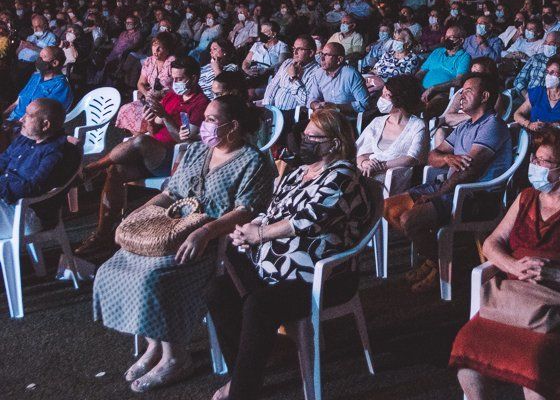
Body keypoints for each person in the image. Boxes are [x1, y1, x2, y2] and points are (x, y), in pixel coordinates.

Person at [93, 95, 274, 393]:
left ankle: (176, 356)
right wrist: (142, 212)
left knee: (153, 278)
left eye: (212, 120)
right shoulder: (197, 151)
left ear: (233, 126)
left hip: (211, 241)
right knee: (115, 267)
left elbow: (246, 210)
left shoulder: (252, 161)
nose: (204, 126)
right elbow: (171, 192)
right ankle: (155, 344)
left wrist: (203, 232)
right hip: (171, 229)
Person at [205, 107, 372, 400]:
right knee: (218, 290)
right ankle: (245, 370)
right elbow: (273, 211)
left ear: (333, 143)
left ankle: (242, 390)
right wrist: (250, 228)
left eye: (312, 138)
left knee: (258, 305)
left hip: (323, 276)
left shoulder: (343, 174)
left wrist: (260, 235)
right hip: (275, 269)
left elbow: (309, 219)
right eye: (304, 136)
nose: (304, 142)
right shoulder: (298, 173)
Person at [451, 128, 560, 400]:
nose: (533, 165)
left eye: (542, 162)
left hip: (557, 301)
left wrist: (556, 272)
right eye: (534, 158)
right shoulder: (526, 197)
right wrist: (513, 265)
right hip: (510, 298)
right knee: (467, 359)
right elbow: (491, 243)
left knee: (535, 371)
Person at [385, 73, 512, 293]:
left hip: (474, 196)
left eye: (468, 91)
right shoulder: (465, 127)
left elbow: (469, 171)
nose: (461, 95)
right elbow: (432, 156)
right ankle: (437, 258)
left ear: (485, 96)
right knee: (388, 208)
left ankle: (442, 266)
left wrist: (436, 194)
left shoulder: (492, 125)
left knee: (409, 219)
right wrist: (446, 158)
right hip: (448, 188)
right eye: (461, 90)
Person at [76, 58, 210, 255]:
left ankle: (91, 169)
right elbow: (151, 130)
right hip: (152, 153)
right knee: (116, 170)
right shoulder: (172, 96)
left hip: (174, 158)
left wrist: (164, 116)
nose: (175, 83)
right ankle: (103, 234)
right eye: (173, 79)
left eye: (180, 79)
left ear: (194, 78)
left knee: (140, 142)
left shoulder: (201, 104)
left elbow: (184, 141)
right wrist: (150, 120)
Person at [0, 99, 81, 239]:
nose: (21, 119)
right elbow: (3, 160)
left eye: (28, 115)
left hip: (27, 214)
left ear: (45, 125)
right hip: (8, 204)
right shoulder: (26, 139)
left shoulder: (58, 152)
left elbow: (34, 187)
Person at [357, 75, 429, 186]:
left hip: (395, 179)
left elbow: (412, 158)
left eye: (387, 95)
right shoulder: (377, 122)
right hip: (367, 174)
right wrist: (365, 163)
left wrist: (381, 166)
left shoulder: (418, 125)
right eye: (382, 94)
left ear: (400, 99)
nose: (381, 99)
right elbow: (359, 152)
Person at [114, 32, 178, 136]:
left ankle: (142, 140)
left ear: (167, 49)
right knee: (125, 109)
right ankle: (139, 139)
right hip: (150, 99)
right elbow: (140, 83)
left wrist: (162, 93)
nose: (155, 51)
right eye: (154, 46)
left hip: (166, 102)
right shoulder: (149, 61)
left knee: (144, 117)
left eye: (160, 48)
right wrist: (146, 93)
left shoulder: (173, 62)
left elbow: (177, 87)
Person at [513, 56, 560, 133]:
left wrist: (555, 125)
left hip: (558, 138)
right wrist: (529, 124)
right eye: (547, 72)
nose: (548, 76)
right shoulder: (538, 92)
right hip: (533, 135)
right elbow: (517, 114)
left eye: (552, 73)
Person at [4, 46, 73, 123]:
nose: (39, 59)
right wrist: (4, 115)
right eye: (39, 56)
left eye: (43, 57)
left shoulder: (61, 87)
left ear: (55, 63)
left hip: (28, 127)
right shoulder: (36, 76)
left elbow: (45, 117)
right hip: (12, 120)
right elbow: (18, 101)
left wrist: (13, 125)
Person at [417, 26, 471, 117]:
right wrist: (414, 82)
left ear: (461, 40)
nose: (446, 39)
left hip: (442, 92)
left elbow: (458, 81)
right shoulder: (437, 52)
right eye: (446, 37)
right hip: (421, 88)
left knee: (433, 107)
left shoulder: (464, 57)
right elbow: (422, 71)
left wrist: (434, 88)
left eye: (451, 37)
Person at [261, 35, 322, 111]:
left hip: (294, 116)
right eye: (294, 48)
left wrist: (294, 78)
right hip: (274, 110)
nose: (295, 52)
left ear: (311, 53)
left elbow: (306, 101)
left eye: (299, 49)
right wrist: (267, 107)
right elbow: (273, 85)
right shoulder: (288, 62)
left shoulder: (317, 71)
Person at [310, 42, 369, 115]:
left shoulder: (351, 74)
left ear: (339, 59)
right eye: (322, 54)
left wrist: (336, 107)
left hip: (345, 119)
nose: (322, 59)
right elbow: (312, 99)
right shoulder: (319, 73)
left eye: (327, 55)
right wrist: (316, 105)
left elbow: (364, 104)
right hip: (325, 117)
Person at [512, 31, 560, 97]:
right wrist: (527, 96)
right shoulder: (536, 58)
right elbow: (519, 79)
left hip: (549, 100)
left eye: (551, 44)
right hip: (527, 96)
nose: (547, 45)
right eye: (546, 42)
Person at [241, 21, 289, 86]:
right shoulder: (257, 45)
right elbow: (247, 60)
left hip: (269, 76)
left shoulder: (282, 46)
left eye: (265, 32)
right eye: (261, 32)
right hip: (253, 74)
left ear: (274, 33)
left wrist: (266, 70)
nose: (261, 34)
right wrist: (247, 70)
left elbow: (281, 63)